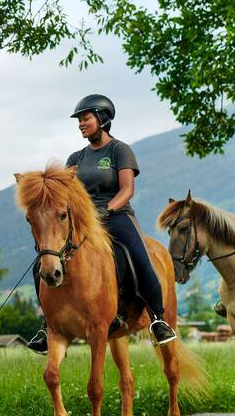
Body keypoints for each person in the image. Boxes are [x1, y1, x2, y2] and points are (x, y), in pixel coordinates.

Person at [28, 94, 178, 353]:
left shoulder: (120, 150)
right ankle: (47, 324)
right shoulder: (75, 157)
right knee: (42, 262)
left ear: (102, 118)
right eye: (79, 120)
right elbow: (65, 194)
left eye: (85, 118)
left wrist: (106, 210)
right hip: (83, 222)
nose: (81, 124)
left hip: (117, 215)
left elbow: (127, 190)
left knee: (141, 260)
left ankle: (158, 319)